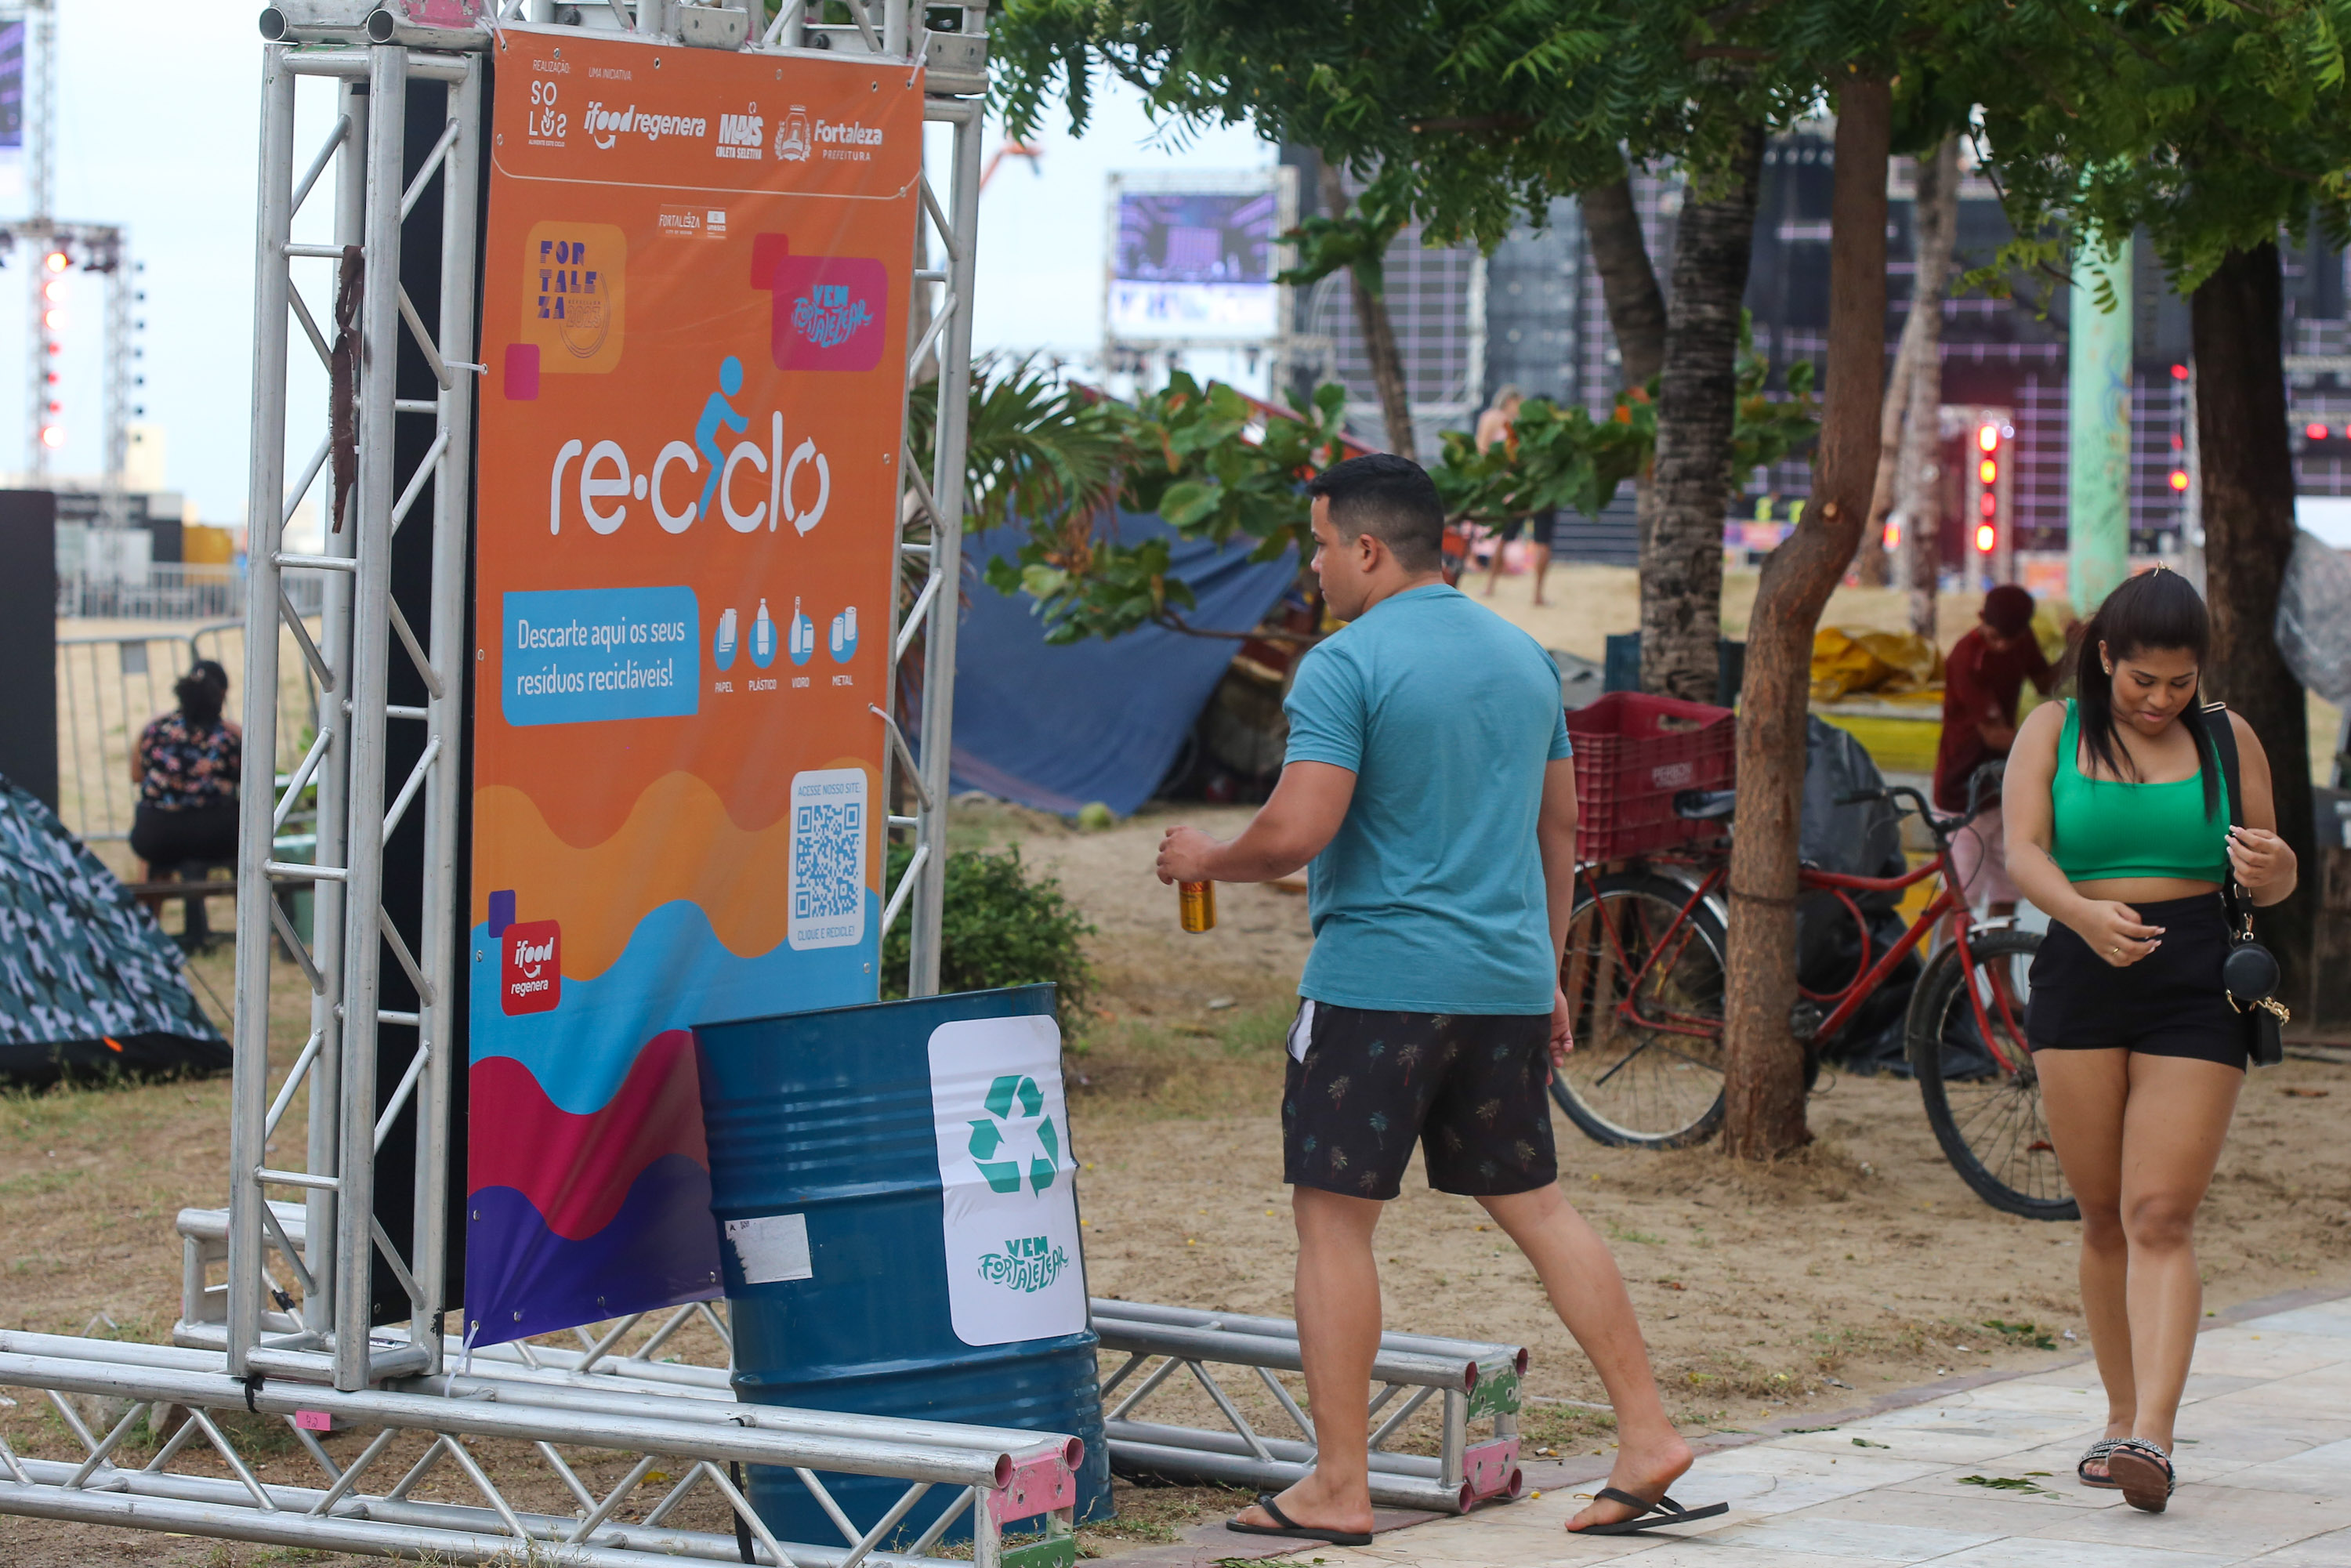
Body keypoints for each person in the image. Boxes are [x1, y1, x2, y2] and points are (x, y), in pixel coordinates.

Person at [1154, 453, 1719, 1544]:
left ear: (1368, 548)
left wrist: (1205, 856)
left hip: (1378, 989)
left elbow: (1299, 829)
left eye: (1320, 545)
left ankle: (1337, 1484)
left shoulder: (1343, 663)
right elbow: (1562, 830)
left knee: (1332, 1224)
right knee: (1541, 1208)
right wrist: (1549, 967)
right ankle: (1647, 1432)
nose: (1314, 567)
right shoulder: (1522, 660)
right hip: (1504, 985)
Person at [2002, 567, 2296, 1515]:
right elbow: (2023, 852)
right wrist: (2084, 917)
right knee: (2100, 1214)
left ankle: (2152, 1439)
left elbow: (2269, 879)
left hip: (2195, 980)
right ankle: (2117, 1414)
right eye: (2143, 682)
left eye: (2180, 682)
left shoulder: (2227, 734)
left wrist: (2279, 867)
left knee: (2160, 1211)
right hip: (2083, 969)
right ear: (2105, 658)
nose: (2162, 700)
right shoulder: (2052, 728)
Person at [1935, 582, 2056, 915]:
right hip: (1962, 790)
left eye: (2009, 640)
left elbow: (2046, 682)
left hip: (2003, 786)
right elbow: (1994, 735)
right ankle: (1951, 966)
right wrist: (2050, 746)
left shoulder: (2022, 641)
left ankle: (1997, 968)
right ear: (1980, 619)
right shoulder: (1965, 658)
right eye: (1994, 637)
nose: (2001, 645)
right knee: (1961, 904)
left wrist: (2077, 649)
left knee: (2007, 894)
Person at [129, 660, 242, 952]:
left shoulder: (153, 729)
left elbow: (136, 775)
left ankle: (146, 933)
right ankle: (252, 930)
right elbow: (253, 778)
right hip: (218, 837)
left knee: (152, 860)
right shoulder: (231, 736)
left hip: (157, 837)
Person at [1475, 386, 1557, 607]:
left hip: (1521, 486)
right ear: (1510, 400)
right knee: (1535, 540)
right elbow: (1483, 451)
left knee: (1512, 537)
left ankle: (1494, 586)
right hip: (1529, 486)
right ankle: (1533, 594)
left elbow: (1483, 451)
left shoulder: (1522, 423)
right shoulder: (1500, 418)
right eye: (1520, 400)